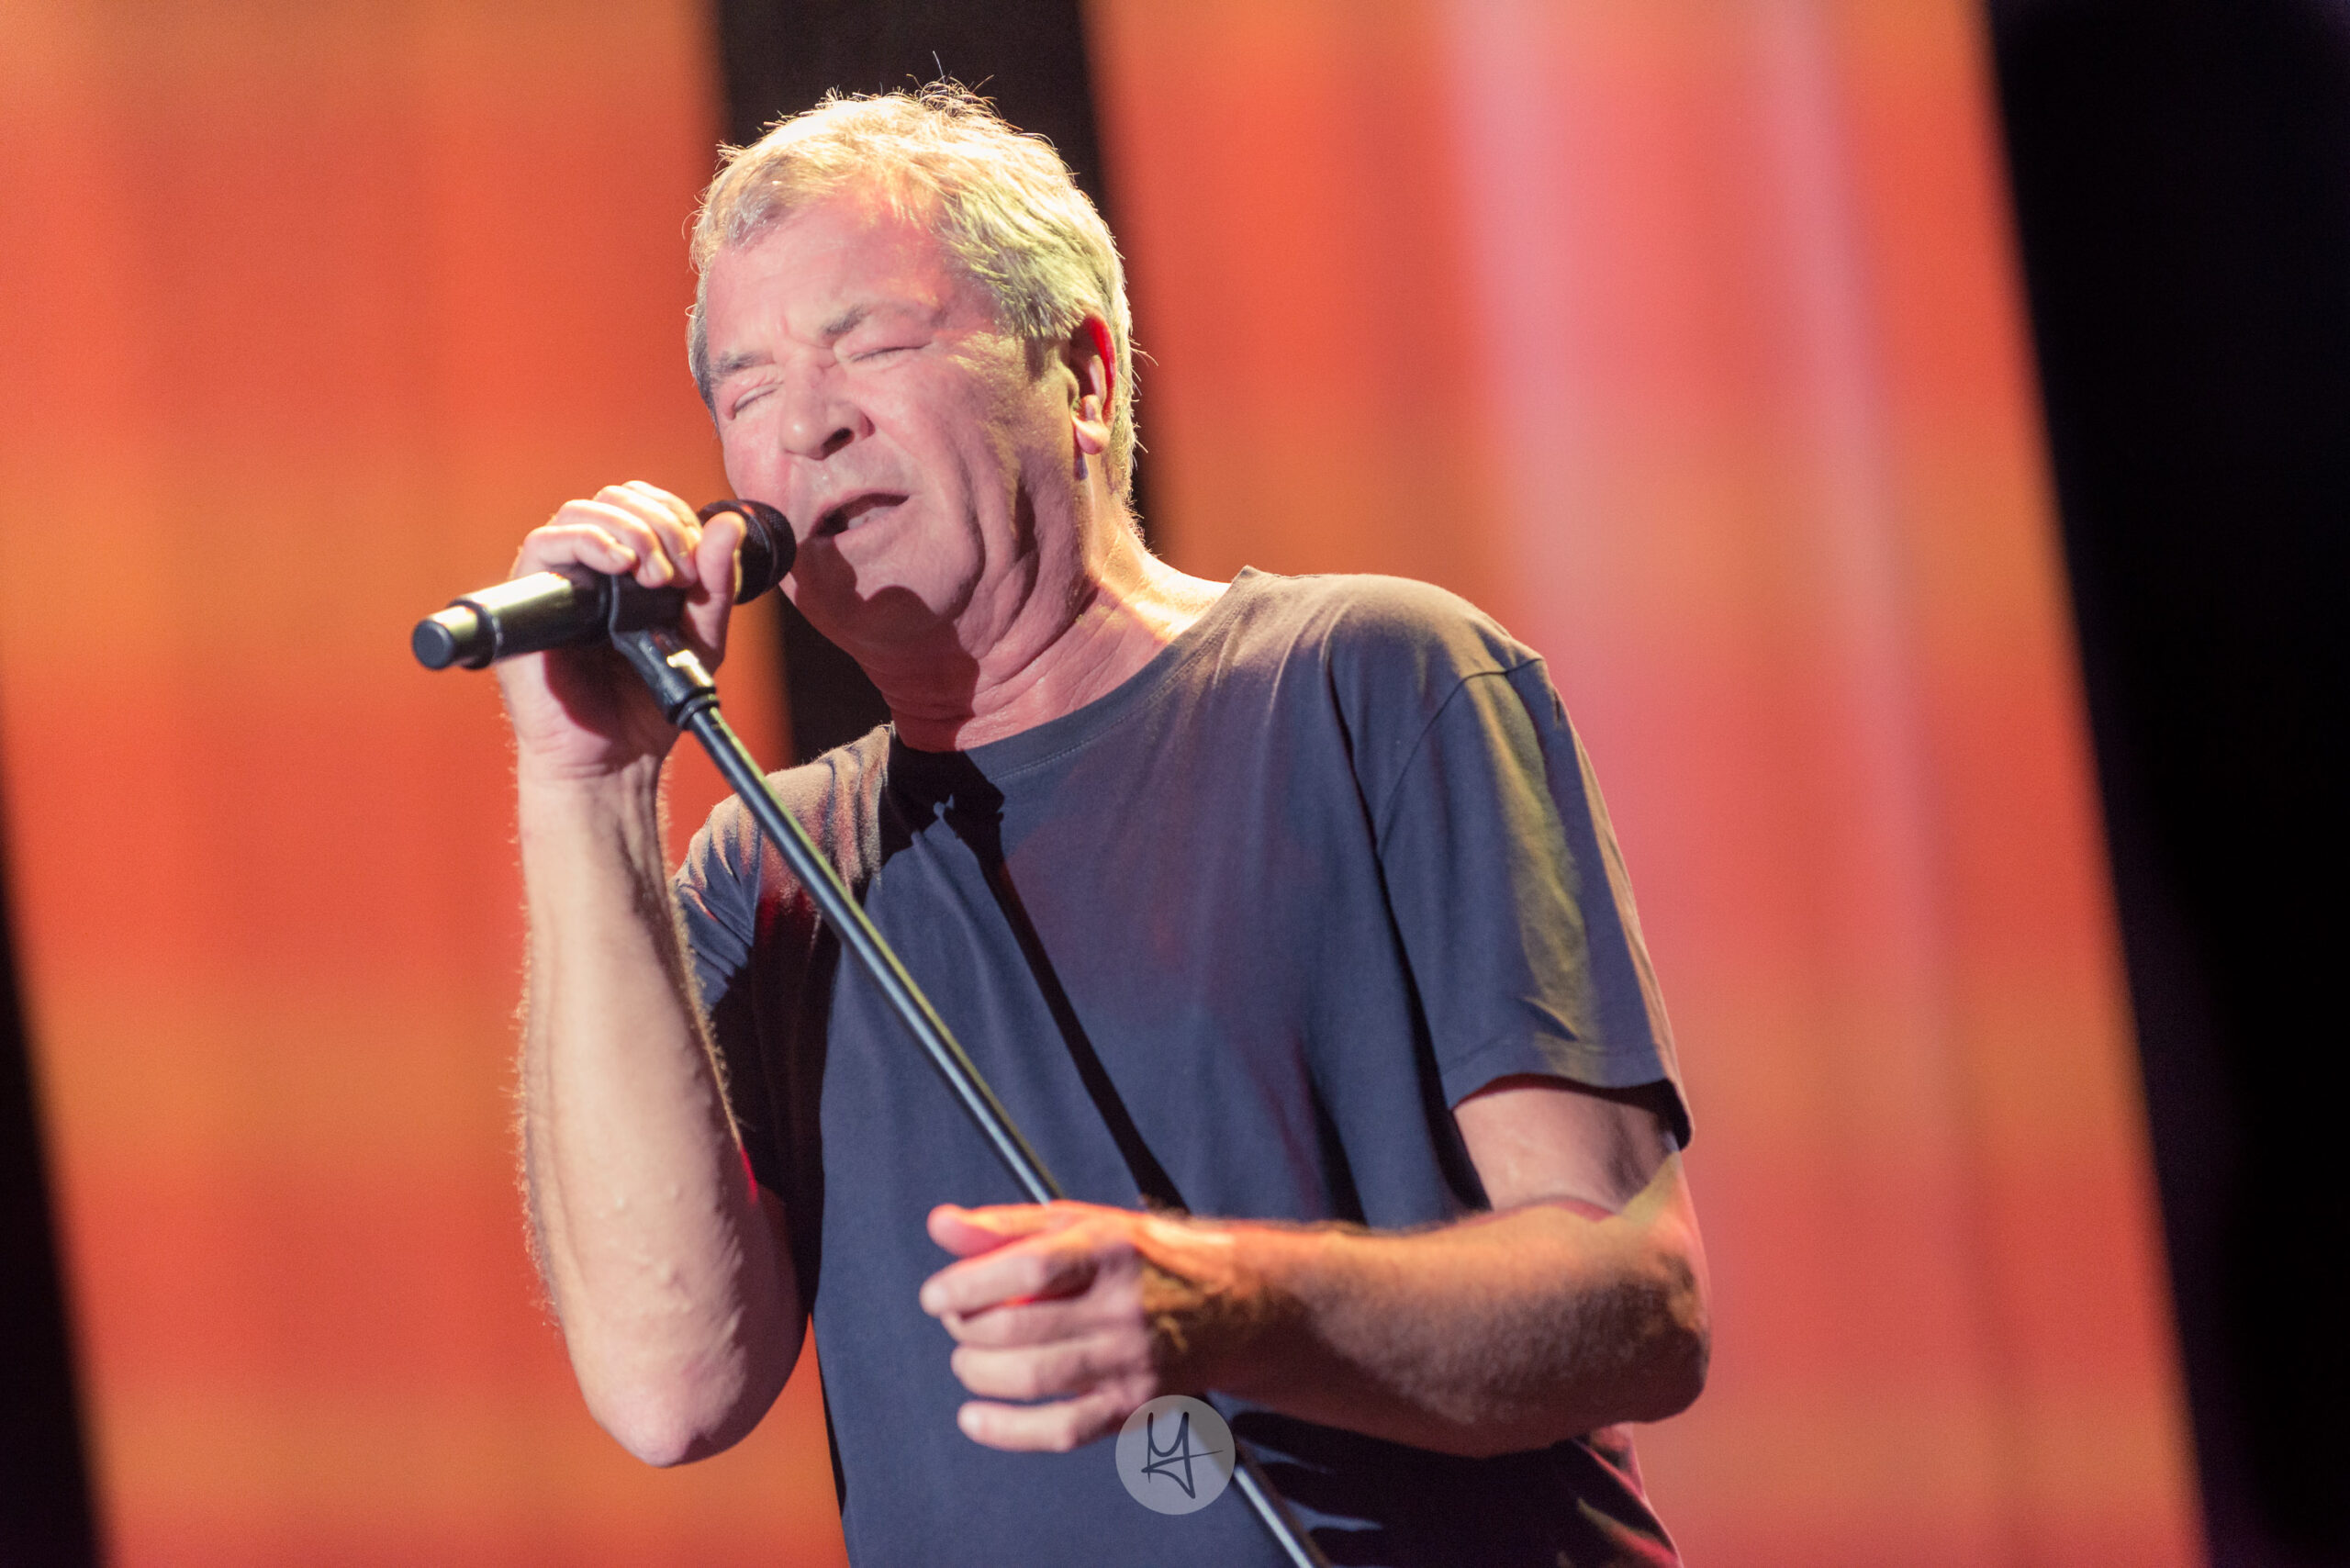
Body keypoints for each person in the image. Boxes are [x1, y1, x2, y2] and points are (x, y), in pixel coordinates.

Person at [498, 85, 1708, 1566]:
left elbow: (1637, 1306)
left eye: (871, 344)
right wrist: (585, 789)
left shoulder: (1369, 681)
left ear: (1080, 375)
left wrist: (1231, 1308)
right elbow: (669, 1389)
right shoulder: (770, 871)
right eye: (747, 391)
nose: (807, 424)